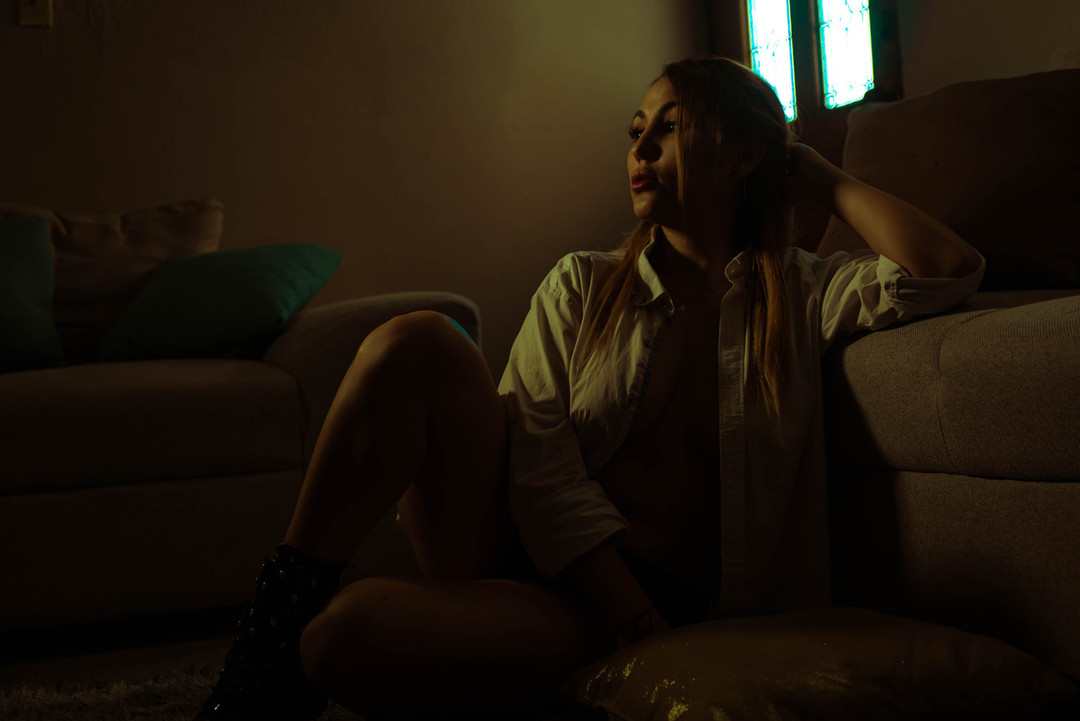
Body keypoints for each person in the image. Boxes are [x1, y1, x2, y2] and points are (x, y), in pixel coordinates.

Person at [195, 55, 985, 720]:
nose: (641, 145)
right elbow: (538, 465)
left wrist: (815, 175)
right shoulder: (583, 283)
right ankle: (263, 649)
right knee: (418, 339)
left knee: (342, 638)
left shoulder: (801, 293)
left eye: (669, 125)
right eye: (635, 129)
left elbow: (948, 269)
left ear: (746, 156)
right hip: (554, 572)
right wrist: (628, 615)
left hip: (615, 610)